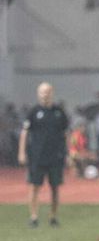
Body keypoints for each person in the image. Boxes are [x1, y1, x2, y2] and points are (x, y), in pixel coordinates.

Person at [17, 82, 69, 228]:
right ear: (38, 94)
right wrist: (22, 152)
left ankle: (53, 216)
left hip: (55, 156)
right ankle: (33, 217)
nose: (45, 95)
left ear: (52, 93)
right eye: (42, 92)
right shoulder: (34, 112)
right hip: (37, 156)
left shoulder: (59, 112)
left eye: (47, 92)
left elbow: (66, 133)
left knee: (55, 187)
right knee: (34, 186)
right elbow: (25, 133)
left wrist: (69, 152)